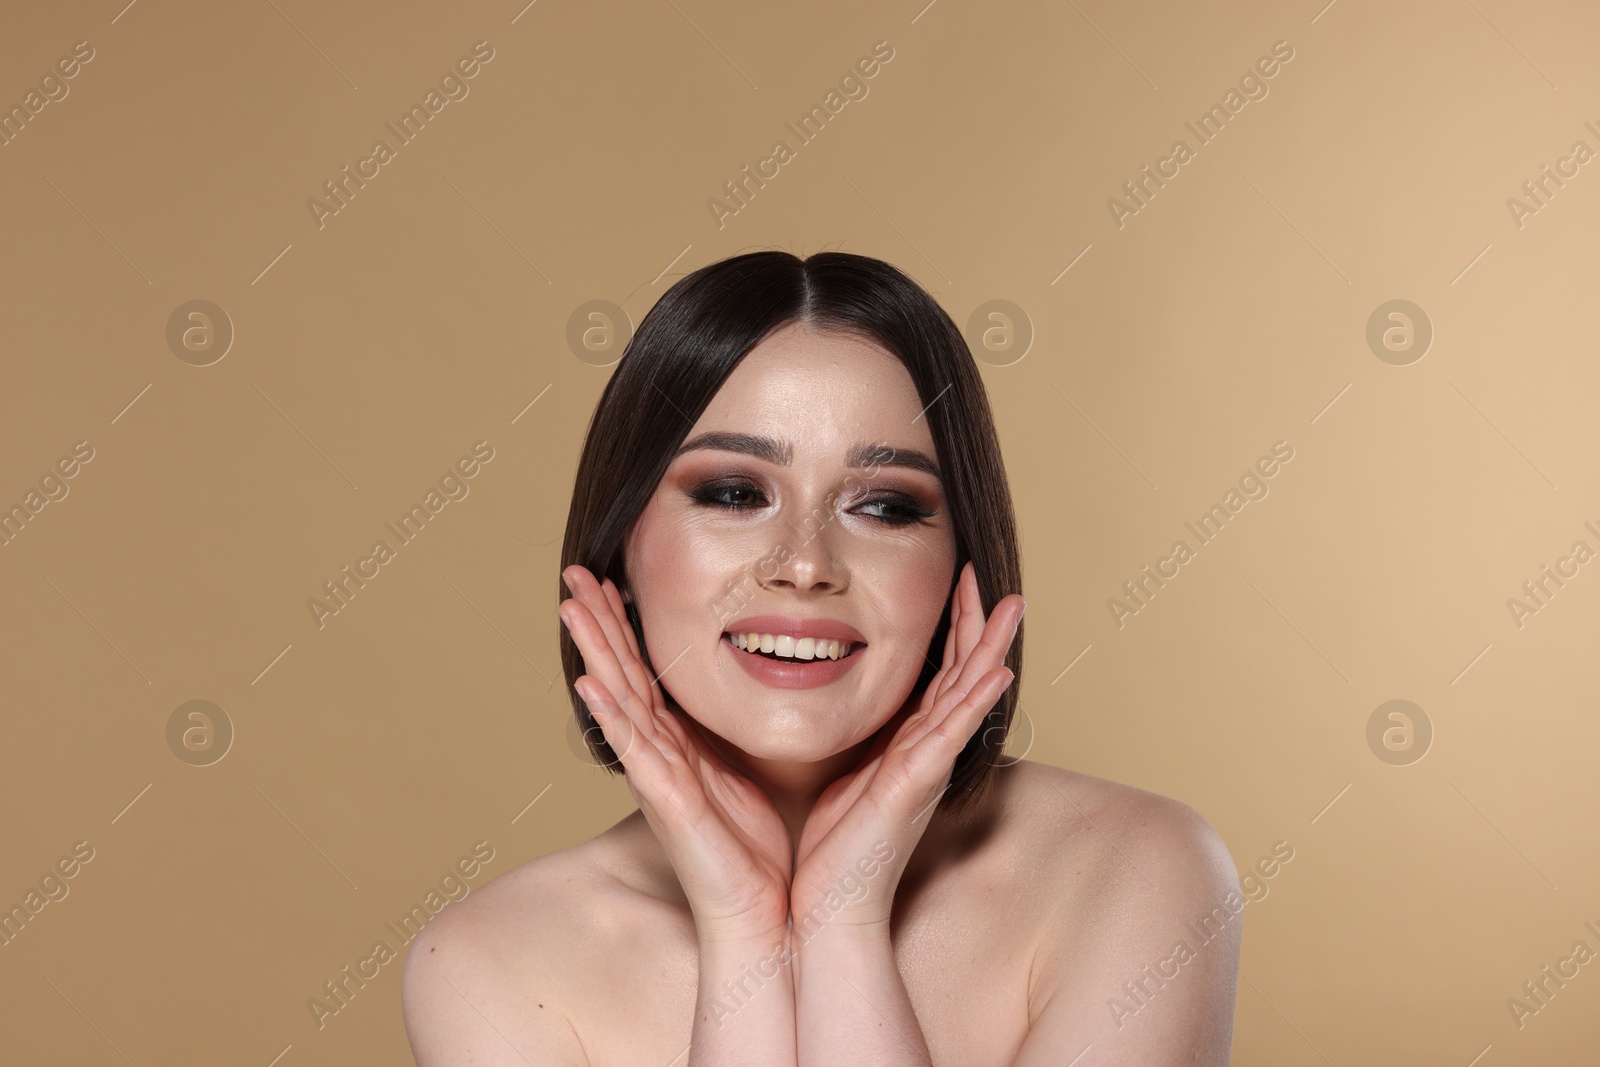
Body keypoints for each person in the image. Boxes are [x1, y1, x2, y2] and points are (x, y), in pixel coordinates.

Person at [401, 250, 1241, 1065]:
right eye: (734, 493)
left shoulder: (1136, 871)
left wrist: (844, 923)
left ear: (961, 564)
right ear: (622, 549)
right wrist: (744, 930)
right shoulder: (488, 964)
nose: (805, 563)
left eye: (883, 505)